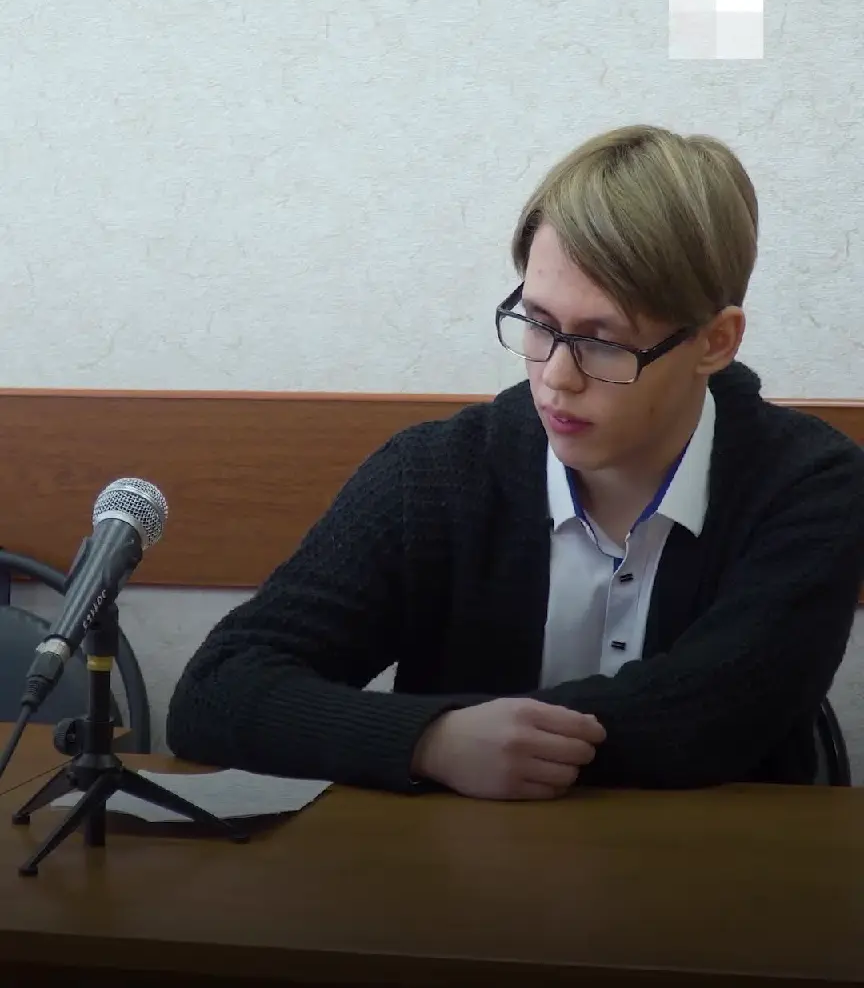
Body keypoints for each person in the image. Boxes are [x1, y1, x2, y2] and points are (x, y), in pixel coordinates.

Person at [166, 124, 864, 799]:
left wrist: (506, 742)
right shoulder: (434, 474)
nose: (556, 377)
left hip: (726, 865)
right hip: (460, 869)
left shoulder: (812, 486)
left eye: (602, 341)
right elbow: (217, 691)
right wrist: (429, 739)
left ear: (714, 342)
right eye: (537, 323)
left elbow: (718, 714)